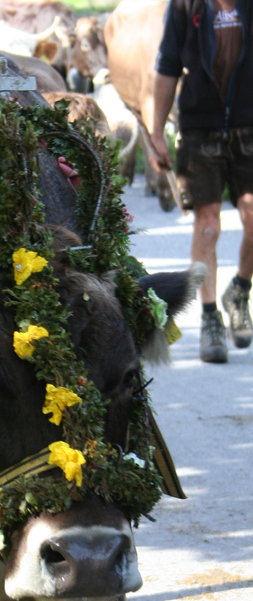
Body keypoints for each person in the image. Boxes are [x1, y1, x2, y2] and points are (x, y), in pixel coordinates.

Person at [151, 0, 253, 363]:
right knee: (207, 226)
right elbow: (167, 66)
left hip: (249, 125)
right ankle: (210, 316)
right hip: (200, 129)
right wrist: (157, 132)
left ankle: (239, 289)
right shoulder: (184, 5)